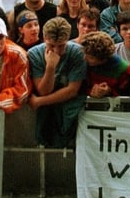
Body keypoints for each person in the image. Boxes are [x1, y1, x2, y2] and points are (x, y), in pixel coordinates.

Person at [27, 17, 87, 148]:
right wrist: (50, 67)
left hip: (69, 112)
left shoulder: (77, 52)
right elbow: (43, 90)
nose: (56, 51)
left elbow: (72, 90)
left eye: (61, 46)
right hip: (47, 116)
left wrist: (39, 101)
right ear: (44, 38)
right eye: (51, 45)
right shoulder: (34, 54)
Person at [80, 31, 130, 98]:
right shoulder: (85, 63)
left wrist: (109, 91)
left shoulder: (124, 69)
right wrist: (90, 91)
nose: (85, 58)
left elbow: (126, 94)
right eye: (84, 54)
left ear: (103, 58)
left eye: (91, 57)